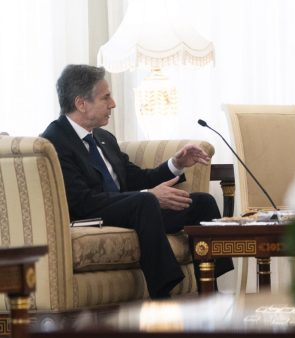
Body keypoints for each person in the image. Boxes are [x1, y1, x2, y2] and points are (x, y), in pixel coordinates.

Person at [42, 64, 233, 298]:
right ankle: (164, 294)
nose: (113, 104)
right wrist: (147, 196)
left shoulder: (103, 138)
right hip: (89, 215)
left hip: (131, 210)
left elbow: (135, 178)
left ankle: (211, 290)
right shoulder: (54, 142)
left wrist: (176, 163)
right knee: (145, 202)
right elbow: (82, 201)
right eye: (106, 97)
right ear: (81, 103)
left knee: (202, 202)